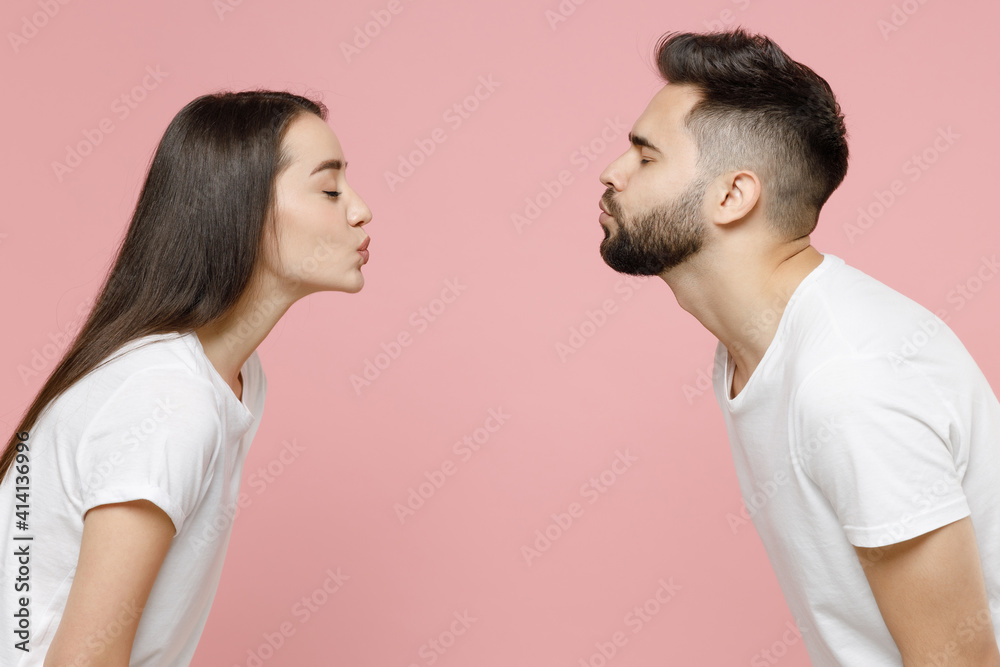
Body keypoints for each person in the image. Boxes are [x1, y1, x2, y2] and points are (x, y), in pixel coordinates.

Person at [596, 28, 1000, 666]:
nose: (610, 173)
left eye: (645, 157)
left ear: (732, 196)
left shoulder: (851, 382)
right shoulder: (754, 349)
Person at [0, 90, 372, 666]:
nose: (359, 210)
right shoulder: (170, 399)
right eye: (329, 189)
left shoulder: (232, 377)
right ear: (239, 208)